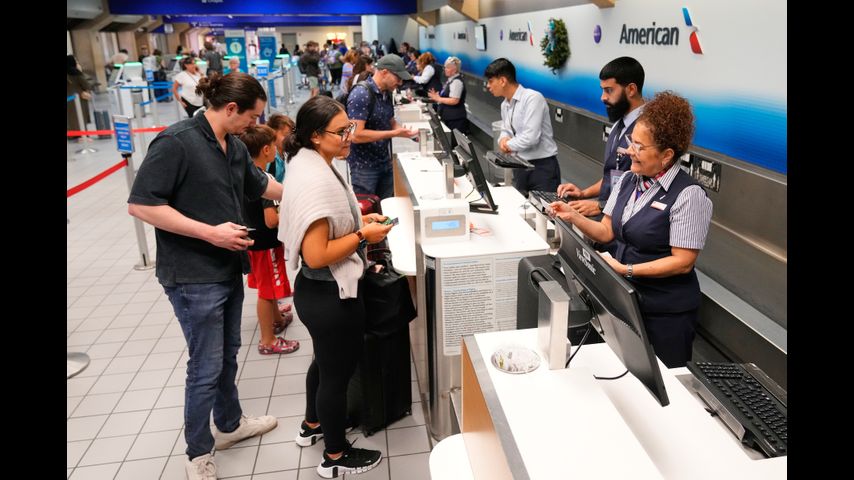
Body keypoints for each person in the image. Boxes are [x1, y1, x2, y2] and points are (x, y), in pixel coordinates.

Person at [127, 72, 282, 480]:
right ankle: (198, 453)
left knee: (227, 353)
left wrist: (311, 192)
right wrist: (210, 232)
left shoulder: (233, 145)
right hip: (193, 276)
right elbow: (141, 205)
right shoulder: (176, 142)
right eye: (252, 116)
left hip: (227, 267)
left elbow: (260, 185)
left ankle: (229, 425)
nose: (255, 124)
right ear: (230, 108)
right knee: (205, 365)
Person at [548, 91, 712, 368]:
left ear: (666, 155)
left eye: (639, 146)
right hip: (625, 300)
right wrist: (572, 216)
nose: (628, 151)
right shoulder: (628, 180)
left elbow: (683, 262)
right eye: (630, 142)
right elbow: (606, 231)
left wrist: (627, 270)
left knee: (663, 384)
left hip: (664, 313)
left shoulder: (688, 195)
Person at [279, 95, 393, 478]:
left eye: (350, 128)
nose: (350, 136)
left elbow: (327, 227)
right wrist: (362, 235)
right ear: (315, 135)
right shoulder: (316, 181)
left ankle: (312, 424)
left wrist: (361, 220)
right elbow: (316, 254)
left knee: (323, 363)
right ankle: (335, 456)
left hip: (313, 293)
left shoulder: (307, 163)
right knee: (335, 377)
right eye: (341, 131)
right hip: (331, 296)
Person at [557, 57, 646, 219]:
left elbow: (647, 189)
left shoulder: (650, 130)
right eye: (602, 90)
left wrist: (601, 206)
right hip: (607, 217)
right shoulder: (618, 124)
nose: (603, 97)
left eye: (609, 90)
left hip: (627, 223)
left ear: (631, 89)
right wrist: (583, 194)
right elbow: (612, 176)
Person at [238, 124, 300, 355]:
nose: (276, 149)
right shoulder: (265, 180)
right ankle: (268, 340)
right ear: (266, 150)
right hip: (266, 244)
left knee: (268, 285)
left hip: (252, 240)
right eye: (274, 145)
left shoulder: (243, 175)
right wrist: (290, 211)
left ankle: (277, 317)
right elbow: (271, 220)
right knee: (266, 292)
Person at [346, 54, 418, 199]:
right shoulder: (361, 94)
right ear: (384, 72)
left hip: (384, 162)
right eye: (398, 78)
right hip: (364, 168)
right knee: (369, 207)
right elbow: (355, 135)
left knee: (387, 205)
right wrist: (393, 133)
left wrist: (408, 133)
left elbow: (390, 122)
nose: (400, 83)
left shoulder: (386, 93)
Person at [485, 58, 560, 196]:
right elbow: (505, 130)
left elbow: (531, 138)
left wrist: (507, 145)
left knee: (544, 209)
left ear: (502, 81)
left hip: (541, 168)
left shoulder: (532, 98)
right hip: (519, 165)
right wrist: (502, 139)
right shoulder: (505, 105)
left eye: (490, 81)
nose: (488, 86)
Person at [428, 56, 467, 134]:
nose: (445, 69)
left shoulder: (457, 82)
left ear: (454, 70)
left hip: (455, 119)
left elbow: (454, 100)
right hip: (449, 117)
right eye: (445, 67)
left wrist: (439, 98)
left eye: (447, 68)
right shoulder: (451, 80)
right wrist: (437, 96)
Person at [66, 55, 92, 134]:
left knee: (71, 117)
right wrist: (80, 71)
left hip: (68, 99)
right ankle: (82, 134)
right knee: (81, 116)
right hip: (78, 97)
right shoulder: (76, 73)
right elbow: (87, 85)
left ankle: (73, 134)